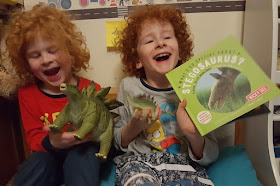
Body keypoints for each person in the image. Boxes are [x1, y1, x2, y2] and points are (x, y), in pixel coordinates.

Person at [113, 4, 219, 185]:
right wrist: (134, 126)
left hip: (185, 166)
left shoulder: (195, 89)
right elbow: (115, 143)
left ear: (180, 52)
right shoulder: (128, 86)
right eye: (149, 41)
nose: (160, 43)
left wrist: (193, 134)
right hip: (140, 163)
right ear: (137, 60)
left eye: (167, 37)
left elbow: (212, 155)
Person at [4, 5, 101, 186]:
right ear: (26, 63)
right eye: (35, 55)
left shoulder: (90, 89)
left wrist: (91, 133)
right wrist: (53, 143)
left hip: (82, 156)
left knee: (82, 154)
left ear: (70, 52)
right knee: (39, 161)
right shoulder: (27, 95)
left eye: (52, 50)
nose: (46, 60)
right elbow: (34, 140)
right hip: (48, 158)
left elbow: (103, 132)